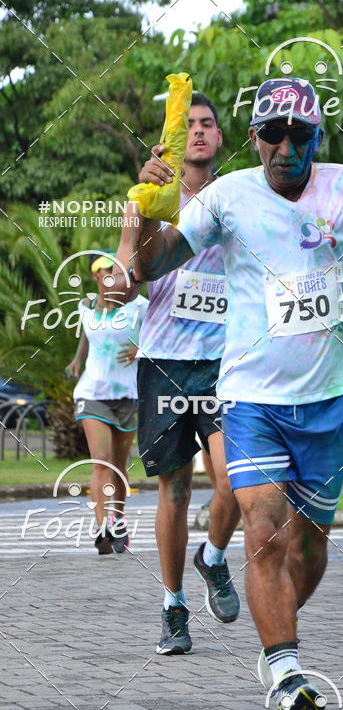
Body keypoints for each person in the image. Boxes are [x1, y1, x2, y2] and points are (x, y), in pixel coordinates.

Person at [126, 78, 343, 710]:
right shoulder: (227, 196)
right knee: (263, 535)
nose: (286, 145)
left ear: (318, 138)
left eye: (301, 134)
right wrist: (150, 209)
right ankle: (286, 670)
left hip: (330, 399)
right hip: (249, 401)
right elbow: (151, 266)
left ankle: (278, 633)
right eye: (274, 132)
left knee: (308, 548)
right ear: (255, 138)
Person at [115, 92, 241, 656]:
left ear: (219, 138)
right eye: (189, 124)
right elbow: (126, 280)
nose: (198, 132)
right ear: (169, 140)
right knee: (174, 487)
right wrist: (139, 218)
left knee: (236, 478)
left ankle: (212, 557)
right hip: (163, 363)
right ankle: (173, 605)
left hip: (225, 363)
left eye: (207, 124)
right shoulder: (146, 199)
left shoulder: (239, 197)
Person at [66, 251, 148, 554]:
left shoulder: (139, 307)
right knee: (100, 459)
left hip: (127, 394)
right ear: (95, 276)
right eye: (104, 270)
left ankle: (118, 519)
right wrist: (78, 360)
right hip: (92, 394)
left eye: (115, 270)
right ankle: (102, 526)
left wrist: (140, 349)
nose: (109, 275)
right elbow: (88, 333)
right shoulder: (86, 306)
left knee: (118, 465)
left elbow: (161, 334)